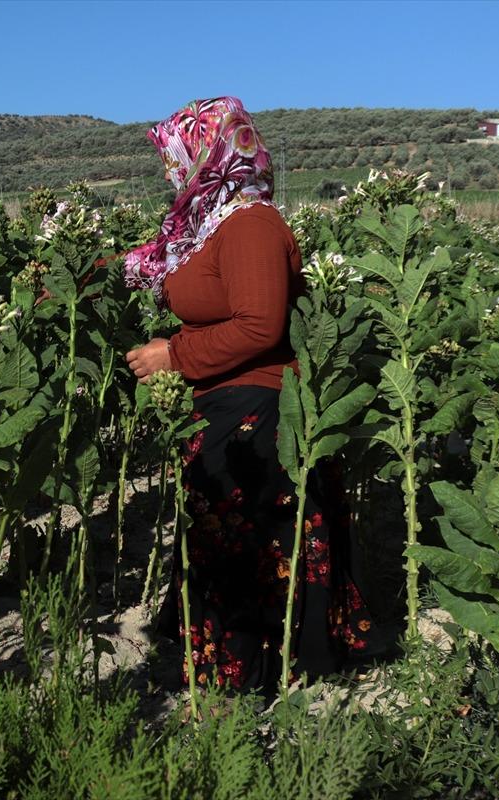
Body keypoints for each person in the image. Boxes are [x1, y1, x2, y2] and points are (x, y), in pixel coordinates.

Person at [123, 97, 371, 693]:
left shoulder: (251, 224)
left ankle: (245, 679)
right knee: (227, 538)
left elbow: (260, 326)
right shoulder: (216, 222)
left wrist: (173, 354)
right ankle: (231, 670)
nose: (169, 170)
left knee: (245, 543)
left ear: (209, 154)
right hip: (227, 398)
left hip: (258, 407)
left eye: (176, 156)